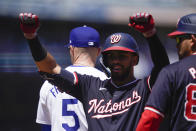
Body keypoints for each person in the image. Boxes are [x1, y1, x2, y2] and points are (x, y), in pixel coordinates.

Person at [19, 12, 169, 131]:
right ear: (103, 58)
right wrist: (31, 37)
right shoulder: (91, 86)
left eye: (122, 56)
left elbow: (162, 68)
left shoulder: (143, 88)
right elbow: (51, 69)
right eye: (111, 56)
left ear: (135, 60)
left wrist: (150, 35)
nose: (116, 60)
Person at [19, 13, 108, 131]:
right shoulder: (107, 82)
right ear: (98, 51)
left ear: (71, 50)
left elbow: (46, 127)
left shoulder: (49, 82)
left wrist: (31, 36)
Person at [136, 13, 196, 131]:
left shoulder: (172, 72)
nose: (177, 44)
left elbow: (150, 118)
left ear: (193, 39)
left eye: (180, 39)